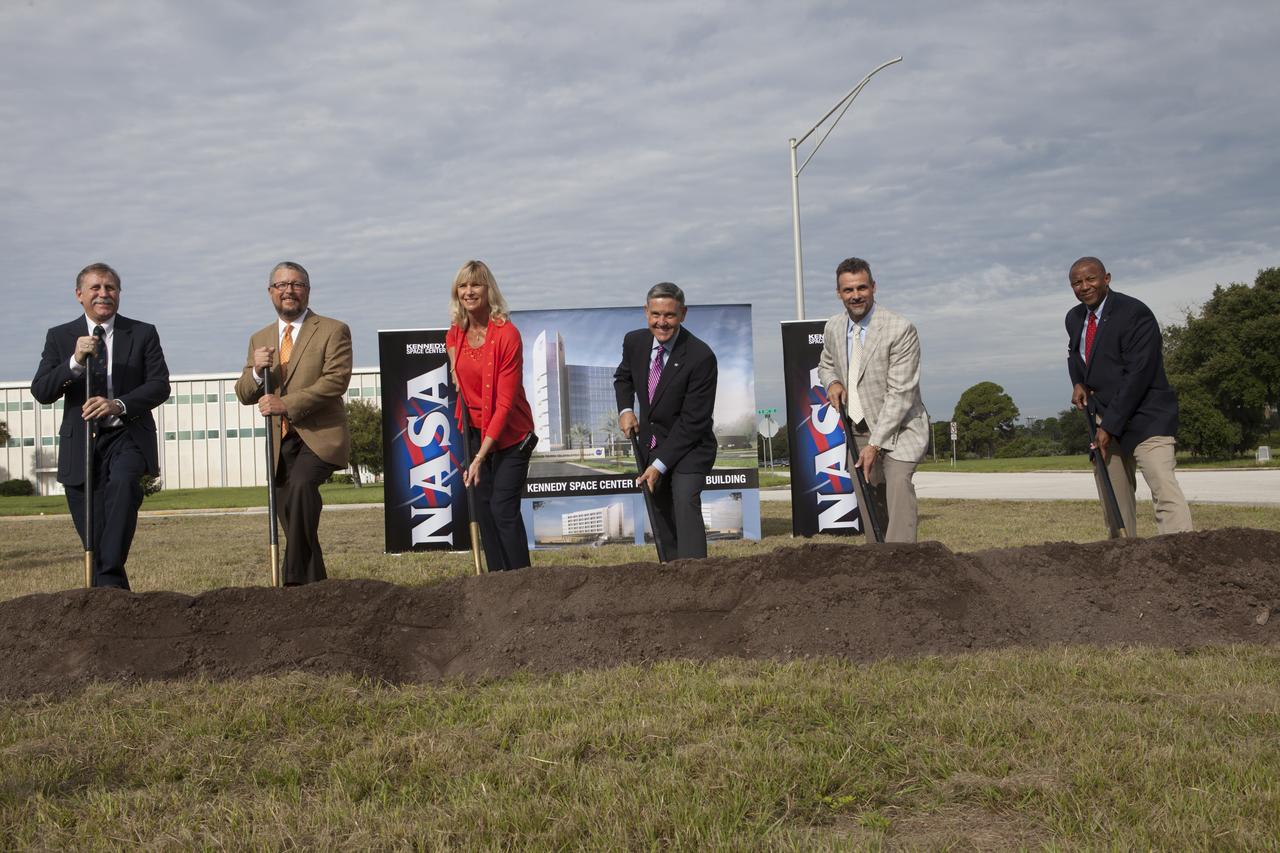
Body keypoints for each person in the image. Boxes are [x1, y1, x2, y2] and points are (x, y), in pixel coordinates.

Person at [30, 262, 171, 589]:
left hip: (127, 435)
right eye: (95, 288)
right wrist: (74, 362)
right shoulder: (60, 336)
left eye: (110, 288)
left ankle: (106, 588)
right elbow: (42, 391)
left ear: (119, 294)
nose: (103, 294)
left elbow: (159, 385)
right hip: (80, 445)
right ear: (80, 295)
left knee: (124, 486)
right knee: (94, 534)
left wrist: (117, 404)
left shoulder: (142, 333)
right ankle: (111, 596)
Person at [235, 261, 352, 585]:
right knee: (291, 515)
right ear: (271, 292)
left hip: (320, 435)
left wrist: (286, 403)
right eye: (282, 285)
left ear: (307, 291)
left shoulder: (332, 329)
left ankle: (292, 581)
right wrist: (257, 371)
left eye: (296, 284)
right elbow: (244, 393)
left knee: (302, 487)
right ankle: (316, 588)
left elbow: (336, 381)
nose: (289, 290)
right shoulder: (260, 338)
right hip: (280, 441)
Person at [1066, 256, 1193, 537]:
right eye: (1077, 282)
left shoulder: (1134, 313)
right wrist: (1078, 382)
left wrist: (1109, 425)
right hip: (1105, 416)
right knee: (1113, 494)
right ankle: (1123, 557)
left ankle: (1182, 553)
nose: (1084, 286)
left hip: (1146, 415)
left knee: (1163, 486)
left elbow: (1139, 375)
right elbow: (1075, 354)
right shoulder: (1074, 318)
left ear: (1107, 278)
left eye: (1091, 279)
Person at [817, 257, 929, 543]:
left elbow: (900, 394)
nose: (856, 295)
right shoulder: (833, 327)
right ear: (838, 293)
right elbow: (827, 363)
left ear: (874, 287)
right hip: (857, 430)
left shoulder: (900, 329)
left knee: (898, 486)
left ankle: (902, 563)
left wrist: (876, 445)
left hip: (900, 428)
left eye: (862, 288)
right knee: (870, 502)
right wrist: (833, 382)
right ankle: (880, 566)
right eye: (848, 290)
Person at [445, 260, 538, 571]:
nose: (469, 291)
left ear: (489, 290)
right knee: (483, 509)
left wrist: (480, 457)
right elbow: (461, 389)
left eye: (476, 285)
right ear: (456, 293)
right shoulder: (454, 336)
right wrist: (471, 449)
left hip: (511, 436)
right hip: (473, 434)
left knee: (502, 508)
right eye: (463, 286)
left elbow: (505, 403)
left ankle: (522, 580)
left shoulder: (507, 334)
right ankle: (498, 583)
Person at [614, 282, 718, 559]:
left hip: (691, 446)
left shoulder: (701, 356)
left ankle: (695, 577)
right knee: (659, 511)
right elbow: (623, 377)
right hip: (653, 442)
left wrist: (658, 466)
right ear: (646, 312)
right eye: (656, 314)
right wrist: (626, 409)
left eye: (670, 315)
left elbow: (693, 421)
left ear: (683, 314)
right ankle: (672, 577)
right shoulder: (634, 342)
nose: (662, 323)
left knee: (684, 502)